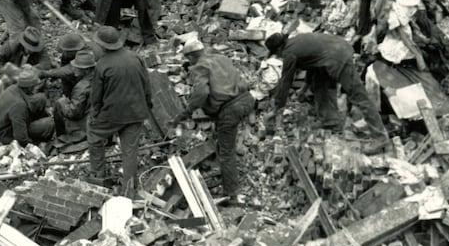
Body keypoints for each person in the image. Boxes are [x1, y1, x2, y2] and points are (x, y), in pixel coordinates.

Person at [171, 39, 255, 200]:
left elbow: (201, 93)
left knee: (226, 152)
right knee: (225, 138)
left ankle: (232, 193)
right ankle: (226, 175)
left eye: (189, 58)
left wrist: (187, 112)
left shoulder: (199, 66)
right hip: (247, 99)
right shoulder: (221, 58)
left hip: (230, 108)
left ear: (192, 56)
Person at [265, 31, 386, 138]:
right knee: (319, 83)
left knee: (359, 96)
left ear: (279, 49)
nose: (279, 57)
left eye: (277, 54)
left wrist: (277, 108)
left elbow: (285, 82)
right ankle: (331, 123)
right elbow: (312, 65)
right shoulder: (296, 41)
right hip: (334, 51)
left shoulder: (289, 53)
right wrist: (304, 88)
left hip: (338, 57)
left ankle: (380, 136)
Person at [88, 25, 152, 196]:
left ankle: (98, 176)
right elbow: (147, 86)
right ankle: (129, 190)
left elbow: (96, 97)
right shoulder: (136, 57)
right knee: (130, 151)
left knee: (94, 137)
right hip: (136, 112)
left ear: (102, 46)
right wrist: (147, 105)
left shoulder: (102, 65)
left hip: (113, 115)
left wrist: (95, 115)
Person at [0, 67, 55, 147]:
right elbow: (21, 138)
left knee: (41, 98)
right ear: (29, 88)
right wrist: (35, 144)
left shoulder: (13, 88)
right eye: (34, 86)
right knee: (50, 123)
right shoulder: (19, 105)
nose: (36, 88)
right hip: (5, 134)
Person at [52, 47, 95, 139]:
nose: (74, 69)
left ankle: (62, 136)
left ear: (86, 70)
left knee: (60, 103)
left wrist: (65, 103)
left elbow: (74, 114)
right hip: (98, 118)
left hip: (86, 126)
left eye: (77, 68)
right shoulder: (99, 77)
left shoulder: (82, 87)